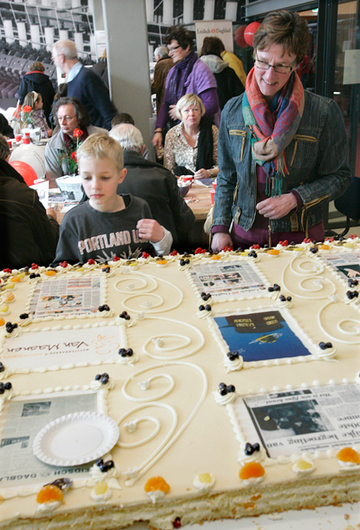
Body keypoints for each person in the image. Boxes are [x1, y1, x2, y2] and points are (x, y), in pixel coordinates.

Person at [211, 10, 351, 252]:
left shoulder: (323, 112)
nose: (268, 74)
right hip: (245, 237)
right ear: (254, 54)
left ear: (296, 64)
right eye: (263, 61)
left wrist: (295, 198)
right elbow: (226, 177)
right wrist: (220, 228)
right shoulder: (233, 110)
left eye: (281, 66)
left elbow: (339, 177)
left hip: (302, 239)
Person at [54, 133, 172, 264]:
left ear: (121, 176)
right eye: (87, 178)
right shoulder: (73, 221)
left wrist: (161, 238)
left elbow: (159, 259)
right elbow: (62, 269)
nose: (95, 186)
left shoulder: (140, 208)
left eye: (105, 178)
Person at [110, 123, 195, 252]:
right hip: (163, 257)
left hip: (114, 258)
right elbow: (186, 221)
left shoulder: (102, 181)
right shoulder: (163, 176)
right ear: (143, 150)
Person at [152, 25, 219, 153]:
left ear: (187, 46)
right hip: (179, 133)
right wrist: (158, 129)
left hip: (200, 136)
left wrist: (181, 110)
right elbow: (166, 103)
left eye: (174, 49)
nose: (170, 53)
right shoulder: (173, 71)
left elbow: (212, 104)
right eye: (169, 49)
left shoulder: (201, 69)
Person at [0, 134, 59, 269]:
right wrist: (51, 218)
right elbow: (51, 242)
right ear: (7, 158)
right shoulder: (22, 194)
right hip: (25, 274)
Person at [52, 40, 117, 130]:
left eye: (54, 58)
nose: (54, 63)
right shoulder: (76, 78)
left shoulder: (87, 77)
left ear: (62, 57)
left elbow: (108, 113)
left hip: (97, 139)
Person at [44, 97, 107, 187]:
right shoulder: (52, 146)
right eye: (60, 118)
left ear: (79, 118)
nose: (63, 123)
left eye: (68, 118)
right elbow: (53, 181)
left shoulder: (102, 137)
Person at [164, 93, 219, 180]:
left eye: (195, 110)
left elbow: (222, 165)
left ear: (201, 112)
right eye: (186, 110)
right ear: (180, 113)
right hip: (182, 185)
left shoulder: (212, 131)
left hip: (208, 183)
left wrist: (209, 172)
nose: (191, 114)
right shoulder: (172, 134)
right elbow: (168, 169)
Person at [199, 37, 244, 110]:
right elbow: (240, 95)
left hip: (203, 114)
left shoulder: (196, 71)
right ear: (220, 50)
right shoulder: (228, 72)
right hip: (226, 114)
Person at [151, 46, 173, 113]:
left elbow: (156, 86)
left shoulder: (160, 64)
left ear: (158, 56)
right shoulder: (173, 61)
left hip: (164, 99)